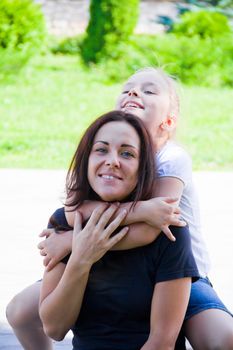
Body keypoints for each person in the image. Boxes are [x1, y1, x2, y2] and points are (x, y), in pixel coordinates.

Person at [6, 67, 233, 349]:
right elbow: (74, 210)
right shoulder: (100, 157)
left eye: (149, 91)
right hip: (106, 262)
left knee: (224, 338)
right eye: (127, 89)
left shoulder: (172, 158)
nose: (134, 92)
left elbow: (156, 224)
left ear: (168, 122)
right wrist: (75, 244)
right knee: (20, 311)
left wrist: (75, 243)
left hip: (181, 271)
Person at [39, 110, 199, 350]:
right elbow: (54, 328)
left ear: (142, 168)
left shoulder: (168, 231)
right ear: (87, 161)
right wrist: (81, 259)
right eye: (101, 150)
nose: (112, 160)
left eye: (127, 153)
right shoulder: (65, 223)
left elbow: (161, 342)